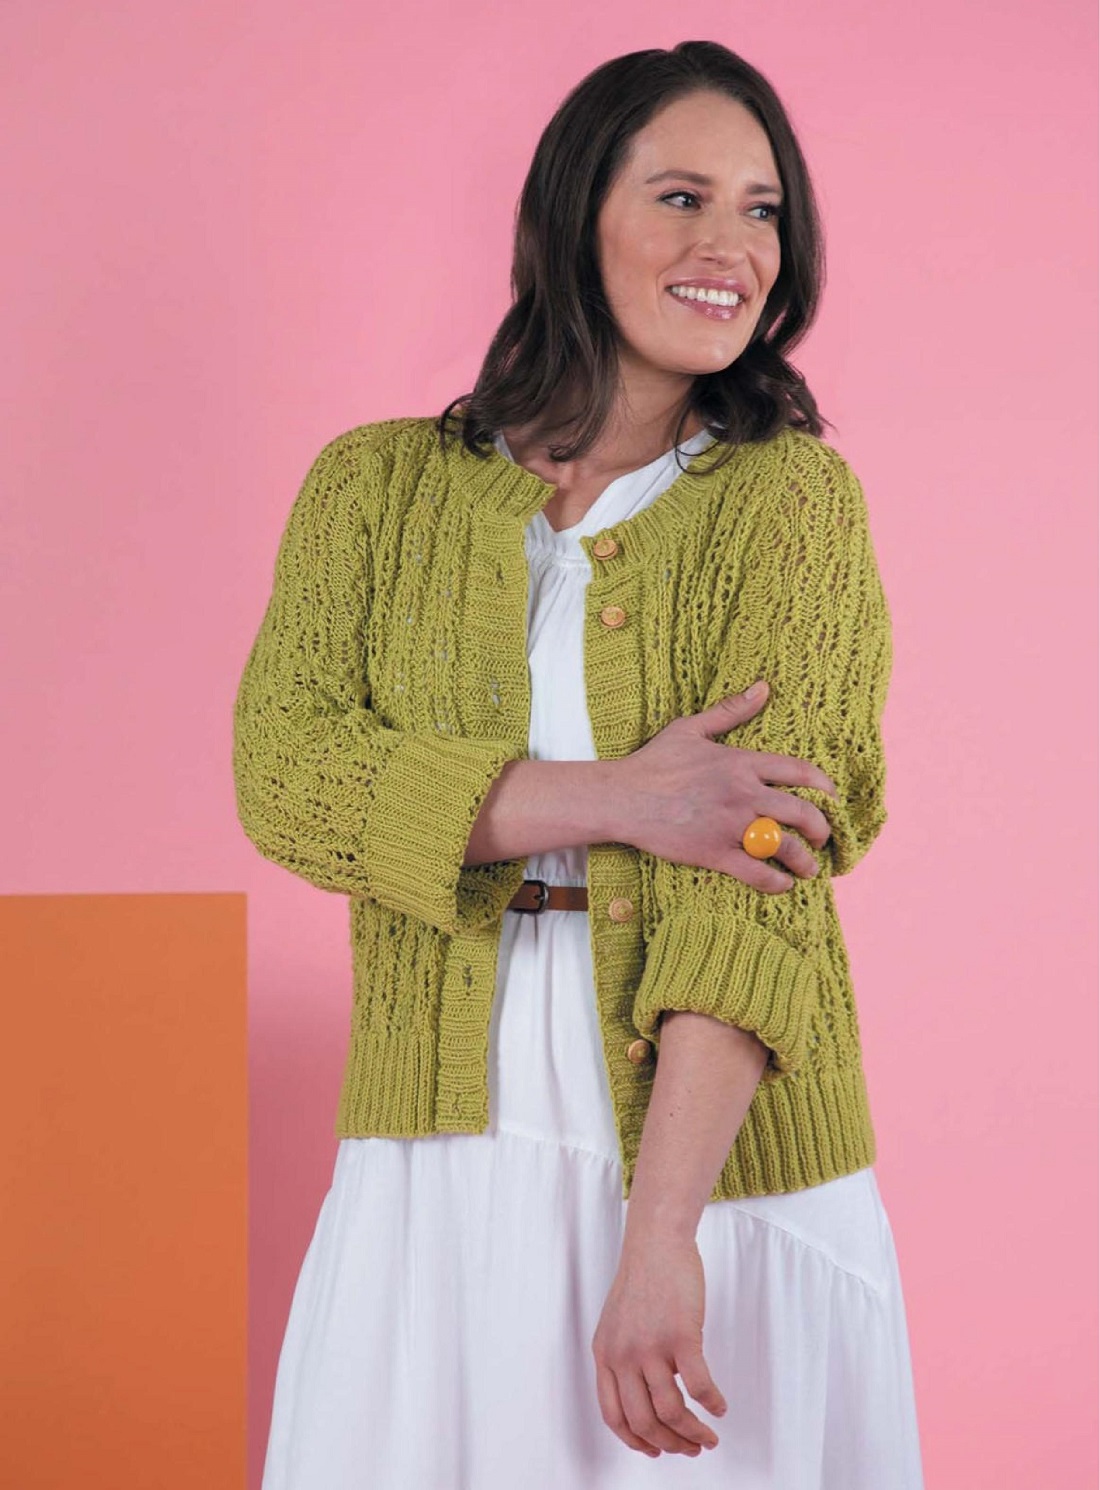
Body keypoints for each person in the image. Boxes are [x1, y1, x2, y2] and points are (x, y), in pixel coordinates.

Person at [233, 40, 926, 1489]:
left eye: (762, 210)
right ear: (573, 214)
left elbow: (759, 882)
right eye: (682, 197)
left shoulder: (790, 502)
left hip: (718, 1174)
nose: (731, 247)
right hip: (435, 1153)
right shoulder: (374, 489)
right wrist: (626, 799)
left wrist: (661, 1235)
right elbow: (289, 774)